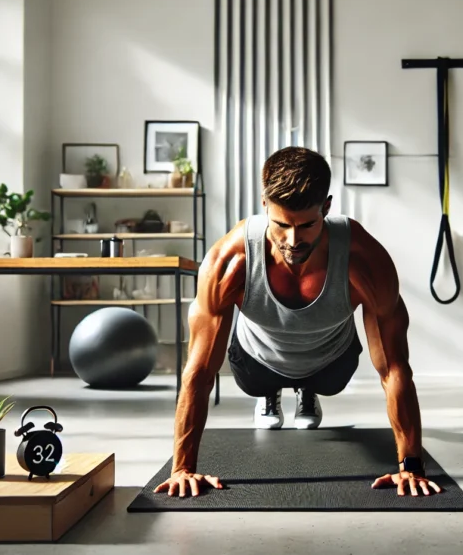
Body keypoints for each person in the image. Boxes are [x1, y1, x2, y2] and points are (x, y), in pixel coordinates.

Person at [154, 146, 442, 499]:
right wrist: (183, 468)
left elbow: (395, 368)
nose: (293, 240)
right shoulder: (230, 261)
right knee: (255, 383)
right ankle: (271, 395)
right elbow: (198, 372)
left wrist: (410, 466)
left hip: (330, 363)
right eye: (281, 225)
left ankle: (307, 391)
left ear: (327, 207)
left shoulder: (363, 259)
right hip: (257, 363)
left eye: (307, 225)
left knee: (331, 380)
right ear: (264, 205)